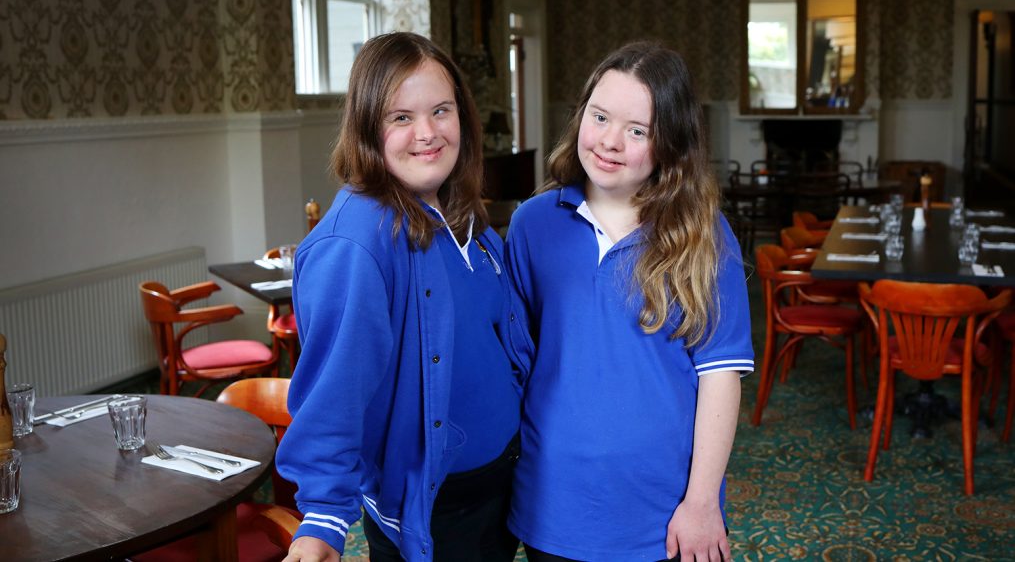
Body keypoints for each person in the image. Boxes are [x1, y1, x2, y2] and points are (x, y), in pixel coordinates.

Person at [276, 32, 531, 562]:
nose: (427, 133)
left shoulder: (465, 218)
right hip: (436, 515)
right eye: (400, 118)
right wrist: (322, 517)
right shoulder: (356, 245)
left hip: (499, 489)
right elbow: (332, 393)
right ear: (369, 127)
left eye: (441, 110)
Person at [504, 41, 754, 561]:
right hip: (554, 501)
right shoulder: (533, 223)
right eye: (600, 117)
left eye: (637, 131)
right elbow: (516, 360)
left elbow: (720, 374)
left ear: (670, 144)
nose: (610, 141)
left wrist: (702, 502)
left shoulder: (703, 234)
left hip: (662, 511)